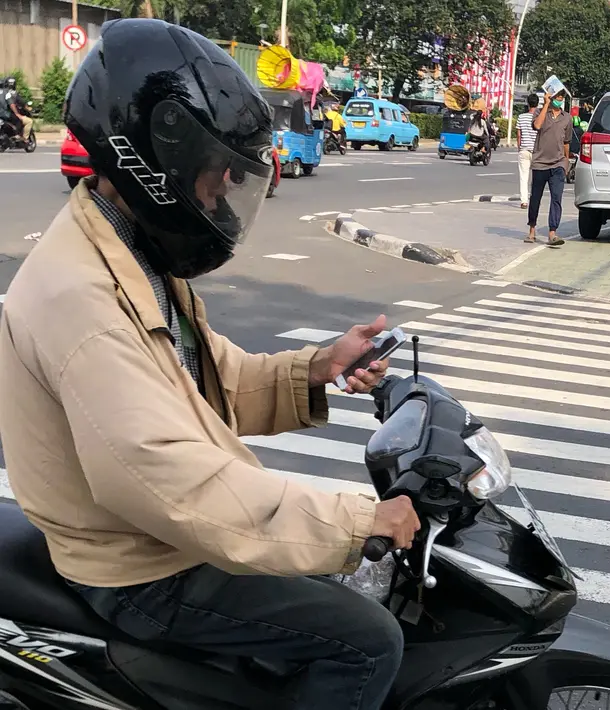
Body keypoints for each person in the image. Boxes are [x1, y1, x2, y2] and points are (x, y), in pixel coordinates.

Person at [0, 19, 420, 710]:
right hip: (140, 569)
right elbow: (166, 477)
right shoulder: (84, 299)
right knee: (366, 639)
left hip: (156, 540)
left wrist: (316, 367)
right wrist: (358, 521)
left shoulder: (126, 253)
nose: (224, 188)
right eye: (216, 167)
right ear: (155, 154)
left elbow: (205, 382)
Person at [526, 89, 570, 246]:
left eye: (561, 98)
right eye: (556, 98)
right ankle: (532, 230)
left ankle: (553, 233)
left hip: (558, 164)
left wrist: (566, 162)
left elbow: (566, 142)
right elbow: (537, 125)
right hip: (540, 163)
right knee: (535, 198)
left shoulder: (567, 118)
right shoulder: (539, 112)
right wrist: (545, 105)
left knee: (556, 198)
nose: (559, 100)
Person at [515, 94, 539, 209]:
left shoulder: (521, 117)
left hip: (524, 150)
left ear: (528, 103)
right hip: (537, 151)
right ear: (538, 104)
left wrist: (519, 147)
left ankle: (524, 201)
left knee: (523, 177)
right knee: (536, 178)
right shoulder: (540, 118)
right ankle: (534, 199)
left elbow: (519, 135)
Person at [2, 77, 32, 143]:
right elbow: (21, 103)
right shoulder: (14, 94)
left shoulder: (3, 93)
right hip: (11, 115)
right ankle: (24, 138)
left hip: (4, 115)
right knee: (29, 121)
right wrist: (27, 108)